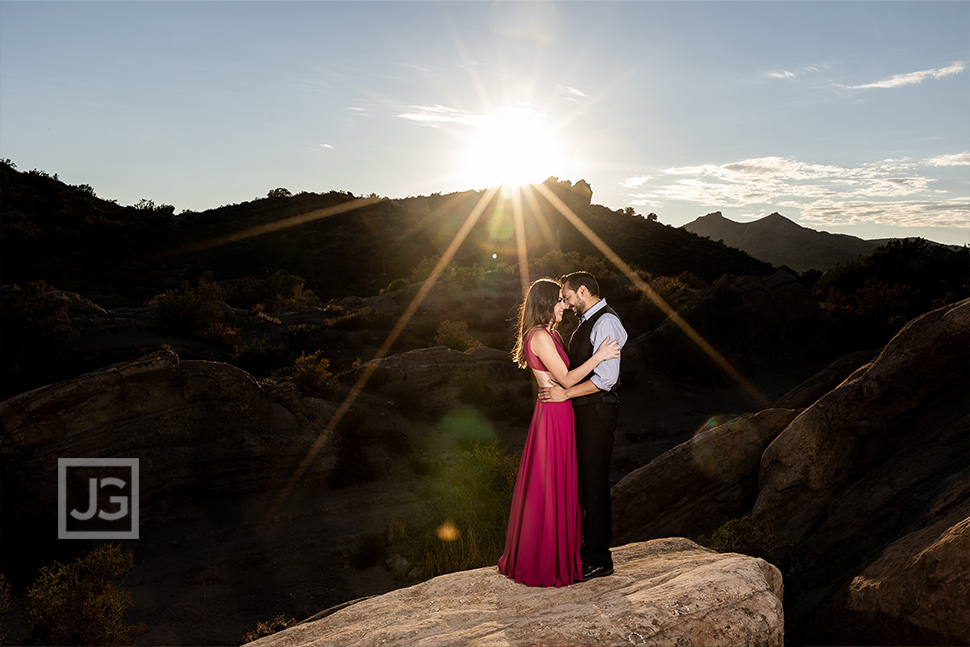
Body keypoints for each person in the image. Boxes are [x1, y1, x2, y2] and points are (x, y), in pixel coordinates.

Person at [498, 278, 621, 587]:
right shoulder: (540, 336)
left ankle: (563, 553)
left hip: (562, 411)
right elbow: (566, 380)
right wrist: (599, 356)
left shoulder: (550, 334)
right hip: (554, 413)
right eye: (559, 300)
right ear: (545, 304)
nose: (564, 305)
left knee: (563, 483)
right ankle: (544, 557)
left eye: (565, 299)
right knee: (550, 484)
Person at [539, 271, 627, 581]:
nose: (566, 301)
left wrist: (566, 393)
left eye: (567, 295)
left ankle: (600, 559)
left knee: (595, 484)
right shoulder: (590, 320)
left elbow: (606, 380)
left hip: (598, 412)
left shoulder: (605, 322)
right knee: (586, 483)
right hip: (587, 412)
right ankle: (588, 551)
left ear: (583, 291)